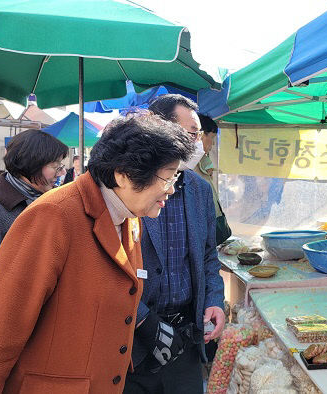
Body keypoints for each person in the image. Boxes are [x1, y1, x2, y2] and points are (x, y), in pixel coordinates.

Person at [0, 113, 194, 393]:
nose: (171, 189)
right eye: (166, 178)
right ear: (123, 175)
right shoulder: (53, 216)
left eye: (175, 176)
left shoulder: (129, 216)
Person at [124, 95, 225, 394]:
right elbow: (108, 267)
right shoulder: (130, 187)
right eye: (191, 134)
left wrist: (214, 300)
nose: (197, 142)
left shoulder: (200, 190)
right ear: (160, 130)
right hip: (133, 339)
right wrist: (145, 322)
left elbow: (209, 254)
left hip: (186, 337)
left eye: (198, 135)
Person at [0, 129, 68, 309]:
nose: (61, 173)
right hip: (16, 317)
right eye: (55, 166)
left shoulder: (49, 200)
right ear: (32, 164)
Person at [196, 113, 230, 245]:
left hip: (212, 223)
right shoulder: (186, 165)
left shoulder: (203, 159)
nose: (213, 144)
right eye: (212, 138)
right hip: (202, 228)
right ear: (201, 135)